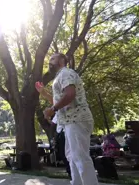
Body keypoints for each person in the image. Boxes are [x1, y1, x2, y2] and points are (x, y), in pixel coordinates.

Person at [35, 53, 99, 185]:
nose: (50, 61)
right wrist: (44, 93)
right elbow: (59, 100)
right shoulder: (60, 77)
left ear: (62, 60)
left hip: (77, 119)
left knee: (80, 157)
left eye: (53, 58)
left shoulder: (66, 73)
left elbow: (70, 95)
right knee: (72, 156)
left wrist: (52, 109)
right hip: (70, 122)